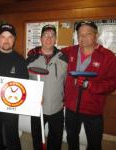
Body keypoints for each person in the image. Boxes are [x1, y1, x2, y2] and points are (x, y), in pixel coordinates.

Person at [62, 21, 116, 150]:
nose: (83, 38)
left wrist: (90, 85)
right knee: (71, 139)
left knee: (94, 143)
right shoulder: (71, 51)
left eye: (88, 34)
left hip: (93, 110)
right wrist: (38, 51)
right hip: (71, 108)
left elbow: (112, 83)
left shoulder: (108, 56)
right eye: (80, 34)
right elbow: (53, 52)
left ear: (96, 35)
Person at [26, 24, 68, 150]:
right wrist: (33, 97)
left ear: (56, 39)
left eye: (52, 36)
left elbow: (67, 83)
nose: (48, 38)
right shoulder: (30, 59)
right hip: (37, 108)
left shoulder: (64, 59)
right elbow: (25, 83)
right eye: (45, 35)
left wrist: (64, 101)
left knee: (55, 139)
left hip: (57, 108)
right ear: (41, 38)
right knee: (37, 138)